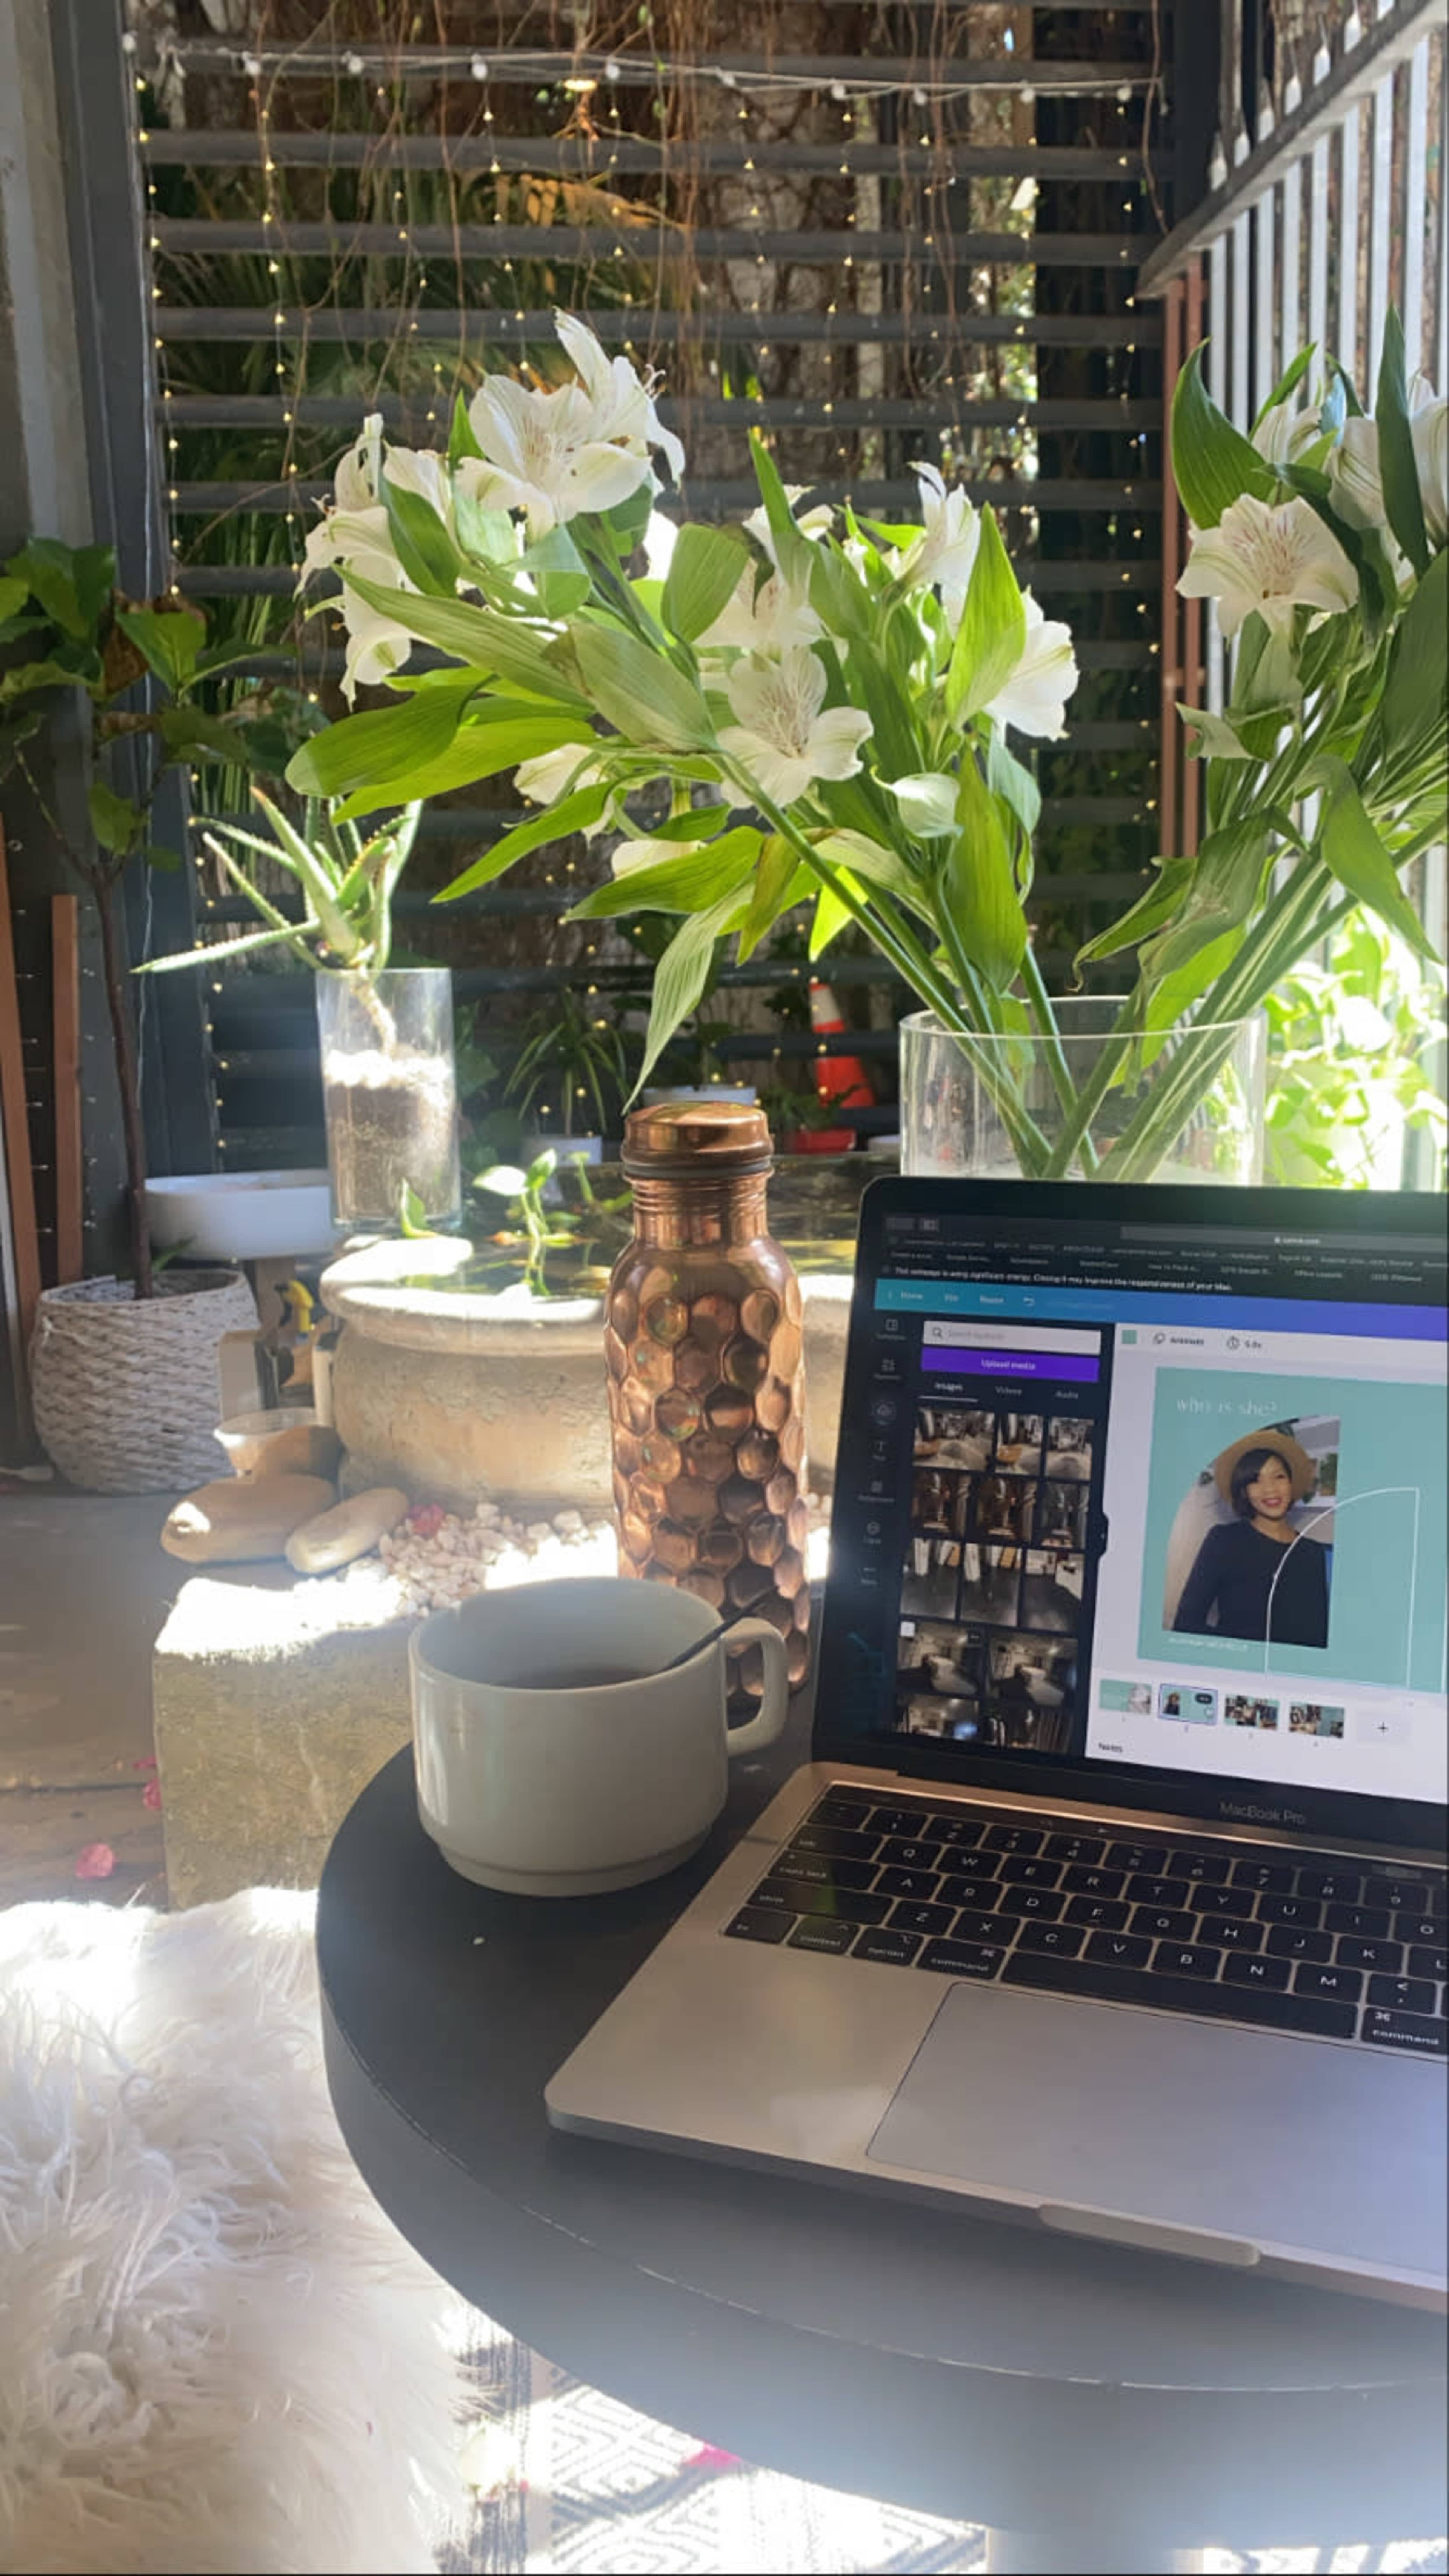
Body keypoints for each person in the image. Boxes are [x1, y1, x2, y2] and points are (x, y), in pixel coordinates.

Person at [1173, 1432, 1329, 1649]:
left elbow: (1318, 1639)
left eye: (1279, 1477)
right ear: (1244, 1492)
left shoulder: (1313, 1553)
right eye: (1255, 1480)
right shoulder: (1224, 1541)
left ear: (1292, 1483)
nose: (1270, 1489)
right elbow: (1186, 1625)